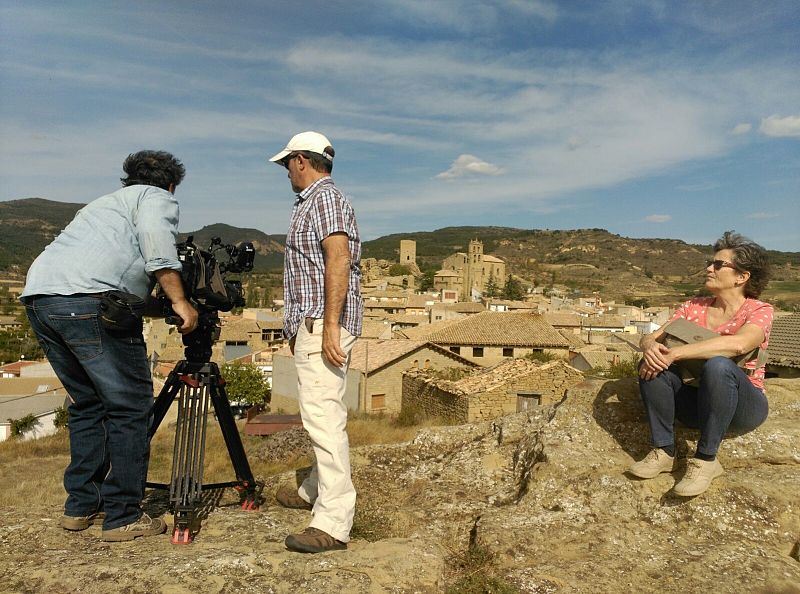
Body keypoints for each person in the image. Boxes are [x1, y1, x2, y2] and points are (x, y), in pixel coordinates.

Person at [21, 150, 199, 541]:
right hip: (90, 300)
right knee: (131, 406)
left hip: (41, 298)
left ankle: (81, 506)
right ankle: (122, 515)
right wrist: (180, 301)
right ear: (169, 184)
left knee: (89, 404)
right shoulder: (154, 198)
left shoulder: (102, 205)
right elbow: (157, 247)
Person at [268, 131, 363, 553]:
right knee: (317, 413)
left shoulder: (324, 199)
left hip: (323, 322)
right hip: (312, 322)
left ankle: (333, 522)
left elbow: (337, 258)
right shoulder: (315, 201)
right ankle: (312, 488)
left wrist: (327, 326)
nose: (286, 171)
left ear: (301, 161)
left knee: (324, 418)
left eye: (287, 163)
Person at [628, 231, 773, 496]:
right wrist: (650, 347)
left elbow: (739, 344)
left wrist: (676, 354)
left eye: (719, 264)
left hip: (742, 407)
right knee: (652, 365)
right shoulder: (693, 306)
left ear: (742, 277)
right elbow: (653, 335)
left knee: (718, 365)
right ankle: (663, 451)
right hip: (696, 403)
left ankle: (706, 460)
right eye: (710, 262)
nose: (709, 268)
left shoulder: (759, 310)